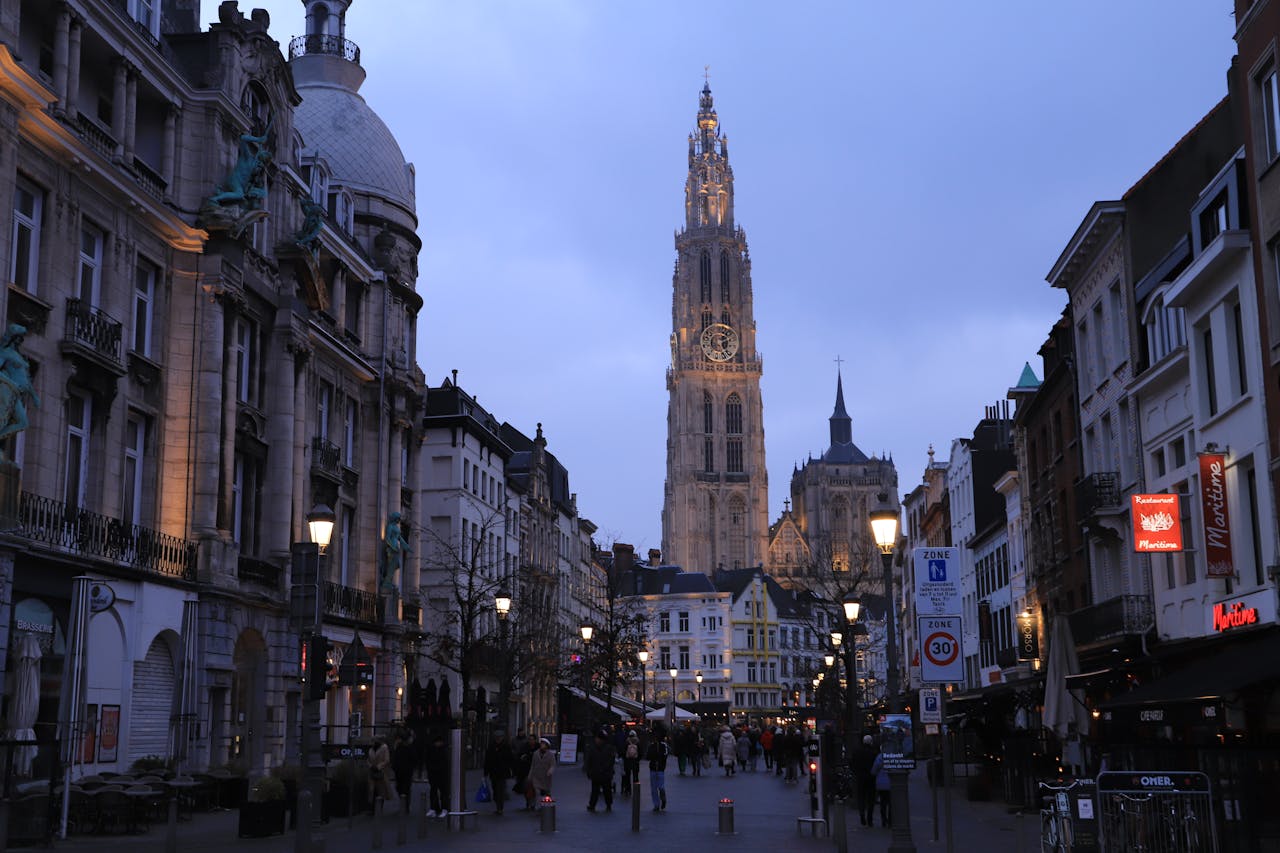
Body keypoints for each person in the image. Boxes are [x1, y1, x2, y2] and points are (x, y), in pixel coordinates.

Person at [483, 730, 513, 815]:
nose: (498, 739)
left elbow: (510, 759)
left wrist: (511, 770)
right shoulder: (491, 747)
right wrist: (486, 772)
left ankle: (500, 808)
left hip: (502, 772)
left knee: (500, 790)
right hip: (493, 772)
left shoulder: (506, 747)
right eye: (497, 738)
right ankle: (498, 805)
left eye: (500, 738)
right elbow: (487, 760)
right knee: (495, 789)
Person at [586, 729, 616, 812]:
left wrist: (606, 769)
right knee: (595, 790)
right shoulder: (594, 748)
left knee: (606, 790)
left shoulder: (607, 748)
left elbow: (611, 761)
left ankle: (608, 804)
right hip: (597, 773)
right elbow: (589, 760)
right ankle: (592, 805)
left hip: (604, 773)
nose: (596, 740)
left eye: (598, 738)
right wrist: (589, 771)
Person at [851, 734, 878, 827]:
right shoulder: (874, 752)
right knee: (871, 798)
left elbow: (852, 763)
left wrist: (856, 772)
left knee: (861, 797)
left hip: (860, 777)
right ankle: (869, 818)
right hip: (871, 777)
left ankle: (862, 814)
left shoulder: (857, 752)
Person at [424, 732, 449, 818]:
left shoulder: (443, 750)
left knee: (442, 792)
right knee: (435, 791)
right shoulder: (435, 750)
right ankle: (435, 808)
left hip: (440, 774)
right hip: (436, 773)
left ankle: (443, 808)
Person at [391, 731, 416, 812]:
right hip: (400, 771)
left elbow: (413, 759)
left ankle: (405, 806)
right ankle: (404, 805)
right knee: (400, 788)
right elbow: (395, 759)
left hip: (406, 771)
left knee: (404, 788)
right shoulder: (399, 747)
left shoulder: (407, 748)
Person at [646, 728, 669, 812]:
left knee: (659, 787)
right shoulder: (652, 745)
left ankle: (660, 800)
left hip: (659, 768)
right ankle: (656, 804)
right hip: (655, 768)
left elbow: (665, 756)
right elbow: (648, 756)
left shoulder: (663, 745)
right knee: (654, 788)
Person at [527, 737, 555, 806]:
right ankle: (538, 806)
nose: (542, 745)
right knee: (537, 792)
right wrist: (530, 776)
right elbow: (532, 765)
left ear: (547, 746)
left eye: (543, 744)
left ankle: (546, 806)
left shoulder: (551, 755)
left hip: (546, 777)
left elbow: (553, 765)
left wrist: (550, 771)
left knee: (546, 792)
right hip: (536, 776)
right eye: (541, 744)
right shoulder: (535, 753)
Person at [512, 733, 535, 810]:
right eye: (530, 739)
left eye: (532, 739)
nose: (531, 741)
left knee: (534, 788)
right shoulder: (524, 748)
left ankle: (533, 803)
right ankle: (528, 802)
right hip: (525, 771)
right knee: (526, 788)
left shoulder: (538, 748)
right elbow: (519, 758)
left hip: (535, 772)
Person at [367, 737, 392, 807]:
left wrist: (378, 766)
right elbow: (368, 759)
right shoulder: (371, 749)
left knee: (381, 790)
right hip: (372, 772)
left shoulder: (384, 748)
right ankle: (371, 807)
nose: (372, 743)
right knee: (371, 790)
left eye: (373, 741)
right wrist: (371, 766)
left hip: (381, 772)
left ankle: (379, 807)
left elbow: (387, 760)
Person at [871, 745, 891, 827]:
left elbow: (874, 770)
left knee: (883, 803)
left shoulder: (879, 757)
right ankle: (890, 820)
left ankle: (884, 820)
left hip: (881, 783)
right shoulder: (892, 756)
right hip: (890, 782)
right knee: (891, 803)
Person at [621, 730, 640, 796]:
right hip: (635, 761)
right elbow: (641, 751)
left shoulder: (626, 742)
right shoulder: (637, 741)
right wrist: (638, 759)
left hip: (627, 761)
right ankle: (636, 789)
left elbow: (623, 751)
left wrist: (625, 758)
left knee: (627, 776)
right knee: (636, 776)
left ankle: (628, 789)